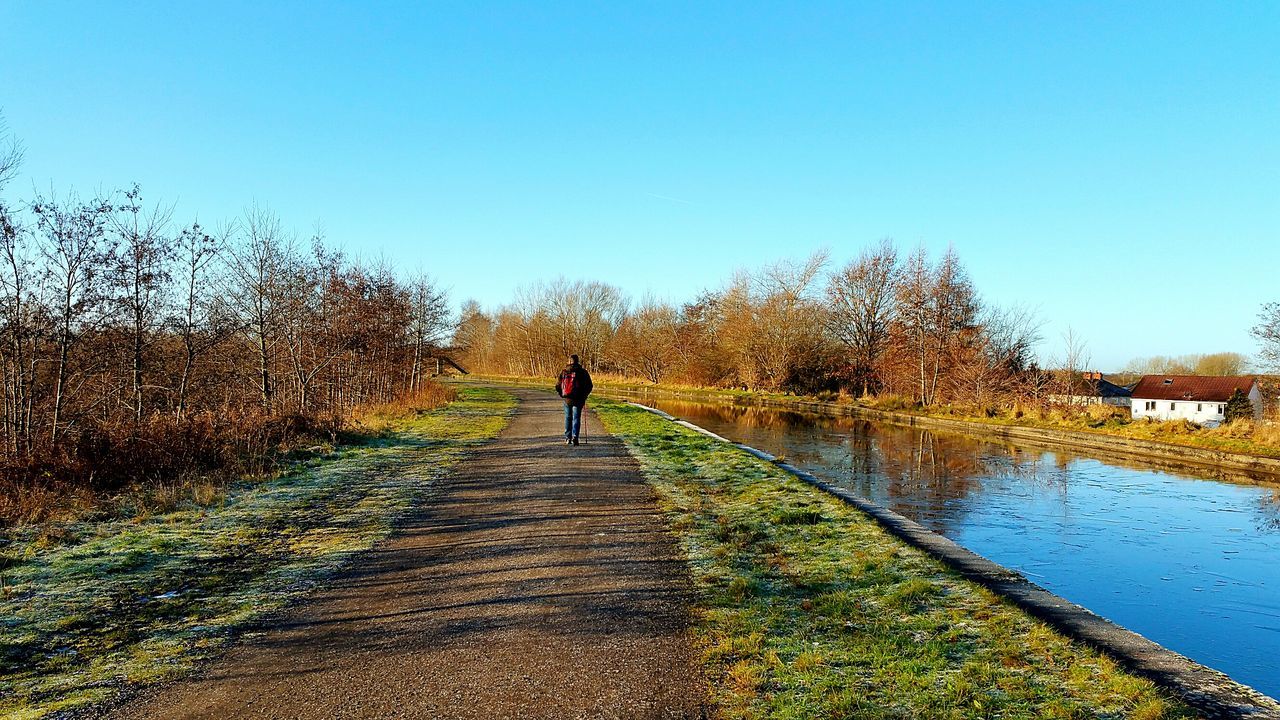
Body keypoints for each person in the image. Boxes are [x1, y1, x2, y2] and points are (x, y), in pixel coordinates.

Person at [555, 354, 593, 445]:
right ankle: (575, 437)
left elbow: (557, 386)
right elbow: (589, 386)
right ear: (577, 361)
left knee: (568, 418)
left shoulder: (564, 372)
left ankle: (568, 438)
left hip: (567, 399)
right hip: (579, 399)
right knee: (576, 418)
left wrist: (563, 394)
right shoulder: (583, 372)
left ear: (569, 361)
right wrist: (584, 396)